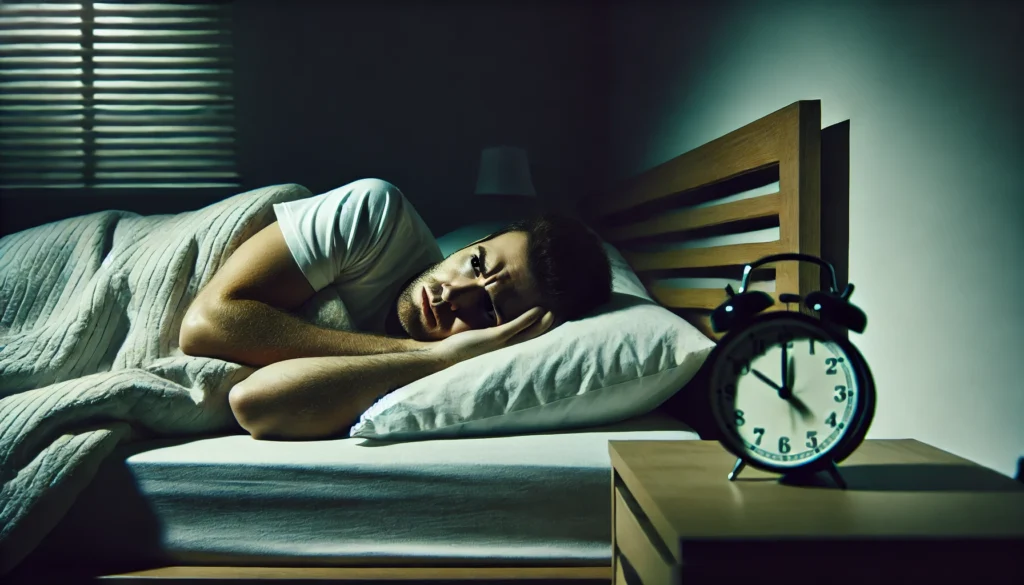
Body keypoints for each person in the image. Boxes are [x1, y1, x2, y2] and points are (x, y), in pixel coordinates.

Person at [179, 178, 612, 440]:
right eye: (475, 263)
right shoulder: (375, 216)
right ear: (468, 244)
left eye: (488, 311)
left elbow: (255, 402)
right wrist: (412, 349)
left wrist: (440, 358)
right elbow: (203, 326)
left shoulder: (450, 360)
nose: (453, 295)